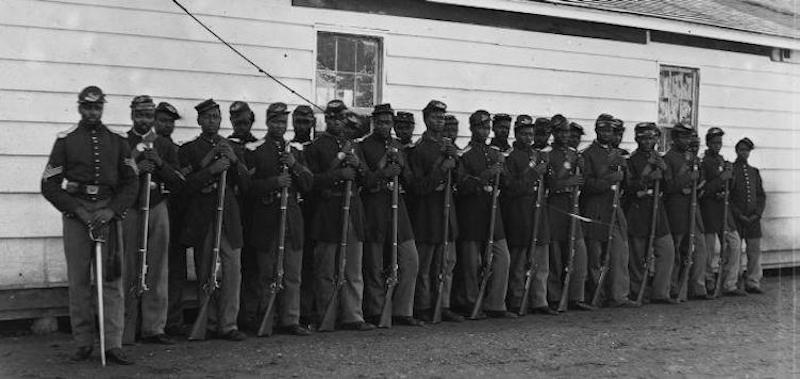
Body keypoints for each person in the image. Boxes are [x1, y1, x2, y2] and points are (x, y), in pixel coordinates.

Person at [41, 85, 138, 364]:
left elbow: (131, 182)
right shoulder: (66, 141)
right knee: (79, 280)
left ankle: (113, 344)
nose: (92, 112)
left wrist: (113, 210)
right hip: (77, 215)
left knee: (111, 279)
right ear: (79, 107)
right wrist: (76, 210)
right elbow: (49, 183)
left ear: (103, 108)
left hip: (107, 214)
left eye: (97, 107)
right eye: (87, 107)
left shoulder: (118, 141)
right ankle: (83, 342)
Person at [178, 99, 248, 341]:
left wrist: (235, 162)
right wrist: (211, 170)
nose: (212, 121)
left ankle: (228, 324)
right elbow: (184, 186)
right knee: (206, 270)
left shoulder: (233, 147)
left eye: (216, 117)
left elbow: (246, 185)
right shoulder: (189, 149)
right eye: (207, 117)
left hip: (228, 217)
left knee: (232, 272)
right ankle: (207, 321)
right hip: (204, 217)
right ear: (199, 120)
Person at [304, 100, 375, 331]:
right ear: (327, 119)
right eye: (333, 118)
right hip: (328, 211)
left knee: (353, 269)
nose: (338, 123)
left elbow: (369, 180)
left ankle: (353, 315)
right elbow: (311, 182)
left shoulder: (354, 146)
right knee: (326, 268)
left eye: (342, 119)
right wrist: (339, 173)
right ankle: (327, 314)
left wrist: (358, 166)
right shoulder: (316, 147)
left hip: (352, 210)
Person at [244, 102, 314, 336]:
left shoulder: (296, 150)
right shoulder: (254, 149)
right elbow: (247, 187)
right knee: (267, 273)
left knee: (292, 272)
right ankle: (268, 317)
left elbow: (308, 183)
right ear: (267, 122)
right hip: (266, 217)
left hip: (292, 217)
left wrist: (294, 165)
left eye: (283, 122)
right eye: (275, 121)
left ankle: (290, 319)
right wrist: (274, 183)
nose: (279, 126)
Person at [121, 95, 183, 345]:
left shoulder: (164, 145)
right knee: (129, 267)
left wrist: (159, 164)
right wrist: (137, 167)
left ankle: (154, 327)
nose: (144, 120)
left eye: (148, 116)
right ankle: (127, 327)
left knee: (158, 268)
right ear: (132, 115)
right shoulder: (122, 143)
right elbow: (115, 178)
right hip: (131, 208)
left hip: (157, 207)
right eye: (140, 115)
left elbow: (178, 182)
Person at [359, 103, 423, 327]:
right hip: (375, 208)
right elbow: (365, 180)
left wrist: (402, 166)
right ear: (374, 122)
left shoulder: (398, 146)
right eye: (382, 122)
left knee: (410, 258)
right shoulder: (364, 145)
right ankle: (376, 310)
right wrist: (384, 167)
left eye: (389, 122)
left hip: (398, 206)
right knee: (375, 263)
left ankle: (402, 310)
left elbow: (411, 181)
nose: (386, 126)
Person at [453, 110, 515, 319]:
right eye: (480, 127)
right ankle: (471, 303)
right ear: (471, 128)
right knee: (472, 263)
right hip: (472, 213)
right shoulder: (465, 154)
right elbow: (461, 185)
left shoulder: (494, 153)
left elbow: (507, 183)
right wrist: (484, 177)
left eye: (487, 128)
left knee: (502, 257)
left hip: (492, 211)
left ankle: (496, 303)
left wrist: (502, 170)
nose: (485, 131)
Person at [406, 100, 464, 323]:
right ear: (426, 119)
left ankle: (444, 303)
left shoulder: (449, 147)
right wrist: (442, 168)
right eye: (435, 117)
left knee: (447, 263)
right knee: (426, 265)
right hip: (428, 214)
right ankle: (423, 305)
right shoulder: (419, 149)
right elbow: (419, 187)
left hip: (447, 214)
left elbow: (459, 181)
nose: (439, 120)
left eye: (442, 116)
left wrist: (455, 161)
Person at [501, 115, 557, 315]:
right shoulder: (510, 157)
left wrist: (546, 170)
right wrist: (534, 173)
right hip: (520, 214)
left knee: (541, 262)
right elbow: (511, 187)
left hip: (539, 213)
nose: (528, 138)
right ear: (516, 134)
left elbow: (551, 183)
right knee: (519, 262)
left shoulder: (539, 155)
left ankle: (539, 300)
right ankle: (517, 300)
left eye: (530, 134)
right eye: (524, 134)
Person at [580, 115, 637, 307]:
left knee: (619, 252)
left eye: (610, 131)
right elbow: (586, 184)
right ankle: (597, 295)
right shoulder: (588, 154)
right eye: (603, 130)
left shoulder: (618, 154)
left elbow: (627, 184)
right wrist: (609, 179)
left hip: (614, 205)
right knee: (595, 255)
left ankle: (619, 295)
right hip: (596, 207)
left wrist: (624, 172)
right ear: (596, 131)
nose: (606, 134)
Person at [624, 123, 675, 304]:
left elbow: (670, 188)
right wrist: (648, 176)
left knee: (666, 250)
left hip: (657, 209)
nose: (648, 142)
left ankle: (661, 292)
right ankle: (638, 292)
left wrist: (665, 171)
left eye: (651, 138)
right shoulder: (631, 160)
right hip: (639, 211)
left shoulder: (660, 159)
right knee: (638, 255)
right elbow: (629, 187)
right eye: (644, 138)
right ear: (637, 139)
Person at [546, 115, 593, 311]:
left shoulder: (575, 154)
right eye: (560, 132)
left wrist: (580, 170)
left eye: (566, 132)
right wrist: (568, 179)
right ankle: (556, 297)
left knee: (578, 253)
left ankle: (576, 296)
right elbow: (551, 184)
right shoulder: (548, 154)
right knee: (556, 254)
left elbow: (586, 179)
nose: (564, 135)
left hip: (572, 203)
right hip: (556, 205)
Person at [663, 123, 710, 301]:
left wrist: (695, 185)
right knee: (677, 248)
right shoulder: (669, 158)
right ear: (674, 139)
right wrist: (687, 179)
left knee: (698, 247)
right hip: (677, 209)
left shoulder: (691, 158)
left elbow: (700, 182)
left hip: (693, 207)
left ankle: (695, 287)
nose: (687, 141)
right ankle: (674, 287)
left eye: (688, 137)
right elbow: (669, 186)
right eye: (683, 137)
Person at [226, 101, 261, 331]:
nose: (241, 126)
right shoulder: (225, 145)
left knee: (254, 265)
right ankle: (232, 315)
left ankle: (250, 314)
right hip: (233, 210)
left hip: (256, 211)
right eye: (237, 122)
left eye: (245, 122)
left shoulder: (259, 146)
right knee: (232, 266)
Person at [700, 127, 746, 296]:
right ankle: (709, 281)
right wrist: (721, 179)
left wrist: (730, 176)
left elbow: (730, 187)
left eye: (719, 142)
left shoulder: (722, 160)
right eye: (714, 143)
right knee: (708, 250)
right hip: (710, 210)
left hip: (724, 210)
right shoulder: (703, 163)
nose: (717, 146)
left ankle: (730, 283)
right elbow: (703, 190)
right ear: (708, 143)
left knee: (734, 244)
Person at [290, 105, 318, 328]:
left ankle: (309, 311)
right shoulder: (288, 147)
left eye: (306, 122)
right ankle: (293, 312)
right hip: (294, 211)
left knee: (312, 264)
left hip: (316, 211)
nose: (302, 126)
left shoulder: (317, 147)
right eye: (298, 122)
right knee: (294, 263)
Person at [730, 138, 766, 294]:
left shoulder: (754, 172)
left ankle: (753, 281)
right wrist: (738, 214)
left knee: (754, 251)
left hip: (753, 219)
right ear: (736, 151)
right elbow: (729, 197)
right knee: (735, 252)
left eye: (747, 150)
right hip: (737, 218)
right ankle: (734, 281)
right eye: (742, 150)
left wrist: (757, 213)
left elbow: (760, 196)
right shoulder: (731, 170)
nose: (744, 153)